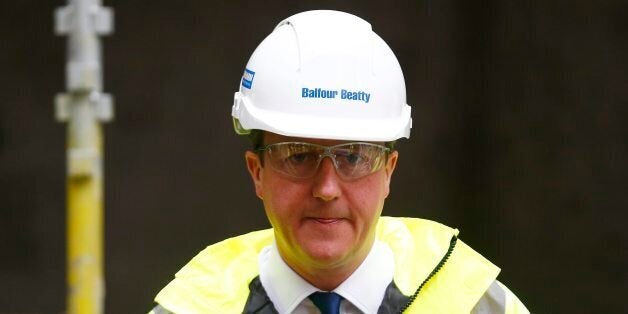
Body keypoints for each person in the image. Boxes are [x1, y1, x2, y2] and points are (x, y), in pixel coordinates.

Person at [150, 10, 529, 314]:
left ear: (388, 172)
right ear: (257, 172)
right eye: (298, 156)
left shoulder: (474, 303)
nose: (327, 189)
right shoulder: (193, 307)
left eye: (353, 157)